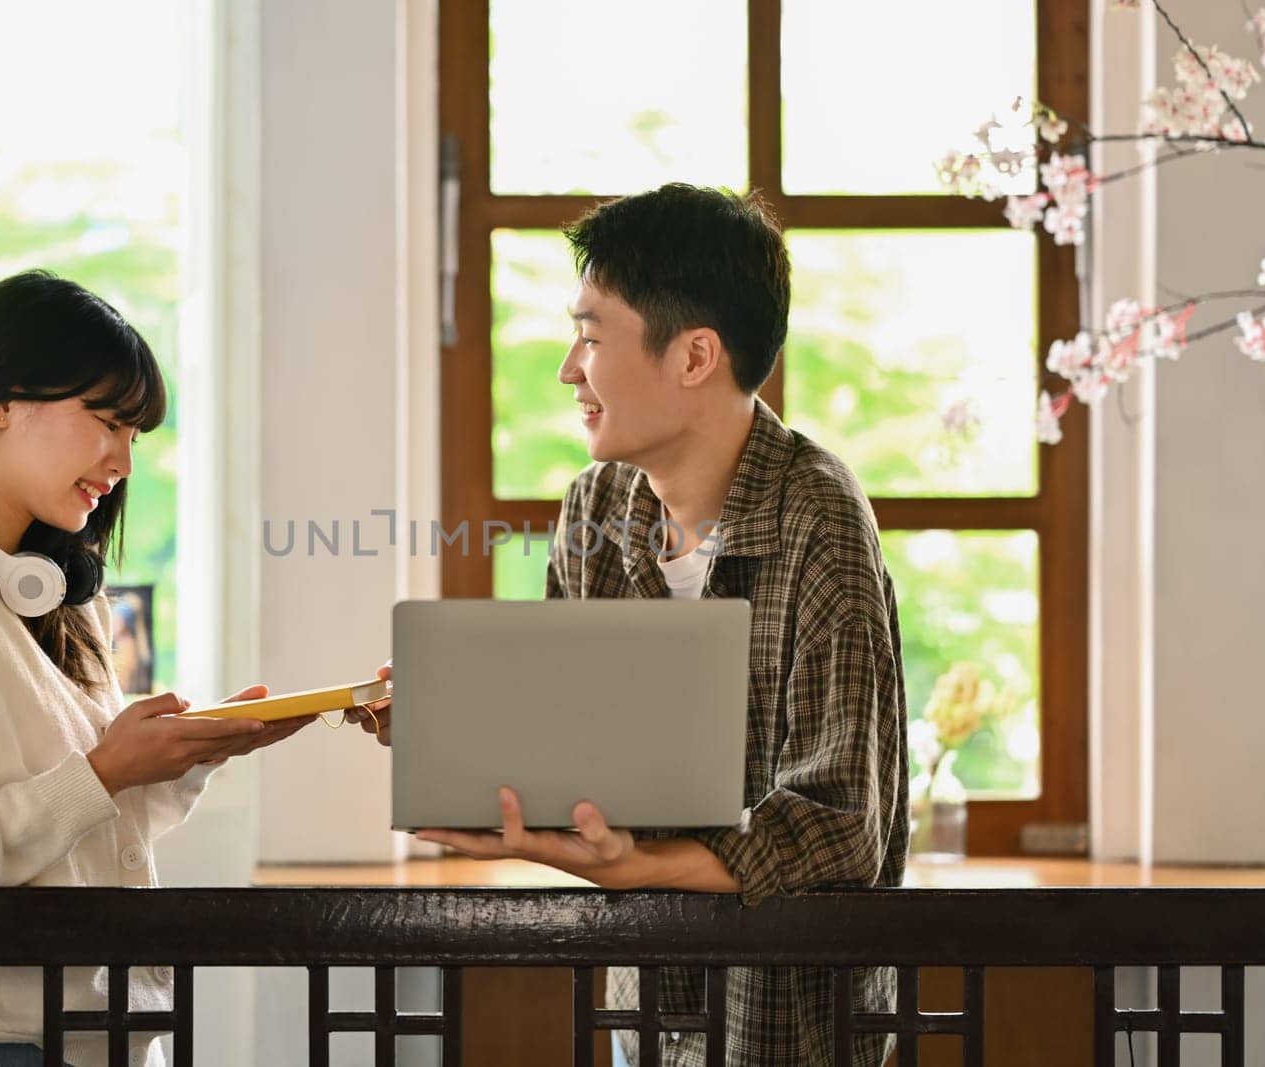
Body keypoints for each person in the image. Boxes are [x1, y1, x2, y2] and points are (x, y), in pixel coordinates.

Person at [350, 184, 909, 1066]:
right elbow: (581, 753)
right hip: (642, 1010)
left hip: (791, 1027)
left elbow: (842, 824)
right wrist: (458, 728)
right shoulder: (595, 509)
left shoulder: (818, 513)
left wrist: (636, 867)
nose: (570, 370)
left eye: (591, 335)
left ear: (694, 356)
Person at [0, 270, 313, 1067]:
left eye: (135, 434)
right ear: (3, 400)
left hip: (93, 1040)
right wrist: (105, 768)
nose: (123, 458)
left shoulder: (63, 591)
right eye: (107, 420)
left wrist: (194, 751)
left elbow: (85, 831)